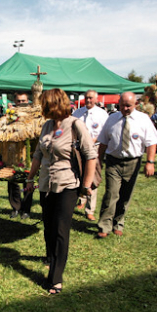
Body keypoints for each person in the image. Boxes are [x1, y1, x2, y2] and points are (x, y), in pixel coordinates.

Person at [24, 89, 95, 294]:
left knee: (61, 231)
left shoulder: (75, 125)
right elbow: (38, 153)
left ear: (54, 104)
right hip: (46, 185)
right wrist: (30, 178)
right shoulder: (46, 125)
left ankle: (55, 278)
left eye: (45, 105)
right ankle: (51, 260)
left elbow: (90, 155)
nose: (42, 108)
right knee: (49, 228)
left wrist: (86, 185)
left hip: (68, 185)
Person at [95, 92, 157, 238]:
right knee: (111, 193)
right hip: (113, 162)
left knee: (125, 195)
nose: (125, 108)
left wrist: (150, 162)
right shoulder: (112, 118)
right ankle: (104, 226)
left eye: (128, 106)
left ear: (136, 104)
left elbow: (152, 142)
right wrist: (98, 161)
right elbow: (103, 142)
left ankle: (118, 223)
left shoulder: (143, 119)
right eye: (122, 105)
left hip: (133, 162)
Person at [71, 89, 107, 220]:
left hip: (94, 149)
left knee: (92, 178)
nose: (88, 100)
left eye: (91, 98)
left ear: (96, 99)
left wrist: (92, 141)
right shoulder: (77, 113)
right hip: (78, 150)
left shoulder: (102, 114)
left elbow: (105, 133)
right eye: (86, 98)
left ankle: (90, 209)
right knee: (78, 174)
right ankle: (80, 200)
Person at [7, 91, 36, 220]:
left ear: (28, 101)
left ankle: (26, 209)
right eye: (19, 101)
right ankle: (16, 207)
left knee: (28, 181)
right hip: (13, 153)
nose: (21, 103)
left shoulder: (33, 115)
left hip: (29, 153)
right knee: (12, 181)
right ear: (15, 101)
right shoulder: (10, 115)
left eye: (23, 101)